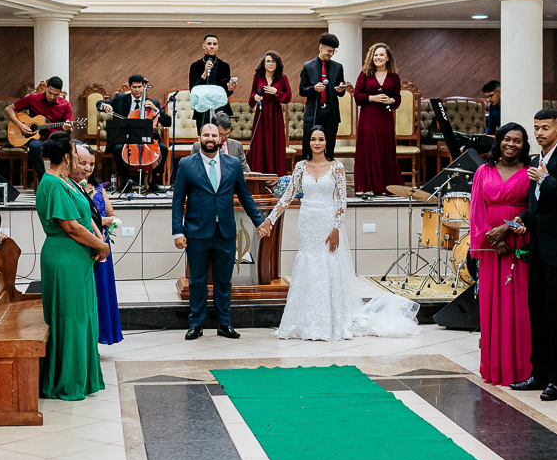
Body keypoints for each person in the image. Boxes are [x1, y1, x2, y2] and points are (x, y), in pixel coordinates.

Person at [259, 127, 419, 341]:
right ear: (308, 142)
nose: (317, 143)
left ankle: (331, 322)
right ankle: (305, 322)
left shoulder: (337, 168)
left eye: (321, 139)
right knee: (308, 264)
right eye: (313, 139)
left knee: (327, 265)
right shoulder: (300, 167)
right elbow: (287, 197)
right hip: (307, 223)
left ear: (327, 142)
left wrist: (336, 228)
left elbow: (342, 201)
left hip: (327, 222)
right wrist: (270, 220)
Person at [508, 109, 557, 402]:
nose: (540, 132)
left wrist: (546, 180)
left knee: (556, 317)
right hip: (538, 249)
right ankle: (538, 373)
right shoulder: (535, 161)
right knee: (537, 314)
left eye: (545, 127)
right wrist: (524, 219)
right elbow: (539, 206)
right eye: (536, 127)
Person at [172, 122, 268, 340]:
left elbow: (245, 196)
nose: (210, 138)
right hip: (196, 232)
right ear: (199, 138)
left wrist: (259, 221)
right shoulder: (187, 164)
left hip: (225, 231)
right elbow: (178, 200)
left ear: (220, 139)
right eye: (206, 135)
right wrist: (177, 231)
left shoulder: (233, 164)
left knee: (224, 281)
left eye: (214, 135)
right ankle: (196, 324)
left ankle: (224, 324)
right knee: (197, 280)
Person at [35, 132, 111, 400]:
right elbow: (71, 226)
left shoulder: (65, 181)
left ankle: (82, 376)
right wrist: (101, 247)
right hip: (64, 257)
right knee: (70, 318)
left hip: (77, 257)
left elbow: (85, 215)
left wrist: (98, 239)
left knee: (83, 315)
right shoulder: (53, 184)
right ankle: (65, 380)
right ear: (67, 156)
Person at [470, 123, 532, 384]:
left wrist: (509, 229)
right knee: (492, 306)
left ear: (524, 145)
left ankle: (520, 369)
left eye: (517, 141)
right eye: (507, 139)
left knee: (519, 308)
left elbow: (533, 209)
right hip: (491, 248)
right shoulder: (484, 171)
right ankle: (495, 368)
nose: (511, 144)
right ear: (499, 141)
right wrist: (492, 239)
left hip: (519, 242)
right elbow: (476, 210)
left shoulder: (531, 173)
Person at [73, 141, 123, 347]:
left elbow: (110, 214)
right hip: (84, 244)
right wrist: (100, 222)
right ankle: (86, 339)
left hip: (101, 245)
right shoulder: (71, 188)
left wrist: (109, 223)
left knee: (102, 290)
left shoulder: (99, 189)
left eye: (91, 164)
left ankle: (101, 334)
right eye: (83, 163)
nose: (87, 168)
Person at [105, 74, 171, 194]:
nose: (137, 90)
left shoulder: (153, 102)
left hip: (148, 139)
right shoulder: (120, 98)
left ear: (143, 86)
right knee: (118, 149)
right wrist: (106, 105)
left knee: (164, 149)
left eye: (140, 87)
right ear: (130, 86)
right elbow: (100, 104)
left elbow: (168, 122)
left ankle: (154, 183)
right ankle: (125, 181)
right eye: (134, 87)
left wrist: (156, 109)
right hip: (127, 138)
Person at [353, 42, 404, 196]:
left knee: (385, 150)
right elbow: (357, 95)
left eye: (381, 55)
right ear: (371, 57)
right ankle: (366, 186)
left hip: (385, 119)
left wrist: (391, 101)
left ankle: (385, 187)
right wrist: (372, 98)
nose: (378, 57)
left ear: (388, 57)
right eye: (375, 55)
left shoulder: (394, 77)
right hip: (368, 117)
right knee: (368, 150)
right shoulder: (364, 74)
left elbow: (398, 98)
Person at [5, 77, 73, 185]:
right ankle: (44, 180)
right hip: (39, 139)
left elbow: (68, 130)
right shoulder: (32, 99)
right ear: (46, 88)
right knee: (34, 146)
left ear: (60, 92)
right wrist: (19, 125)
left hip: (56, 141)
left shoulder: (66, 105)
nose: (51, 96)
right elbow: (8, 109)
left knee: (75, 146)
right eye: (49, 92)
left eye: (55, 94)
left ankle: (66, 182)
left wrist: (68, 129)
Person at [298, 32, 349, 160]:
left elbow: (341, 92)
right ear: (320, 48)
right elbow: (302, 90)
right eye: (328, 50)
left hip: (330, 114)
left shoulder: (338, 67)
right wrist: (314, 89)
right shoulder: (308, 66)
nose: (330, 54)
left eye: (333, 51)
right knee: (308, 148)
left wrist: (340, 90)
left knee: (329, 147)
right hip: (313, 114)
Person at [247, 51, 292, 176]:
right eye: (268, 61)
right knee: (260, 145)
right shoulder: (257, 77)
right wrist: (255, 97)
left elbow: (288, 98)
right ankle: (258, 178)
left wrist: (276, 92)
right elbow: (251, 96)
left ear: (277, 64)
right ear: (264, 63)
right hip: (261, 115)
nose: (271, 64)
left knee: (275, 145)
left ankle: (276, 178)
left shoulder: (282, 78)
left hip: (275, 115)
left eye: (273, 61)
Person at [188, 34, 235, 130]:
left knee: (220, 136)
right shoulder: (196, 66)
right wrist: (204, 74)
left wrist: (231, 89)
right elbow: (193, 89)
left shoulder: (224, 66)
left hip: (220, 107)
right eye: (209, 44)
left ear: (217, 47)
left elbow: (226, 92)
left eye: (215, 44)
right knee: (203, 135)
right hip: (202, 106)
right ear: (203, 46)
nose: (212, 46)